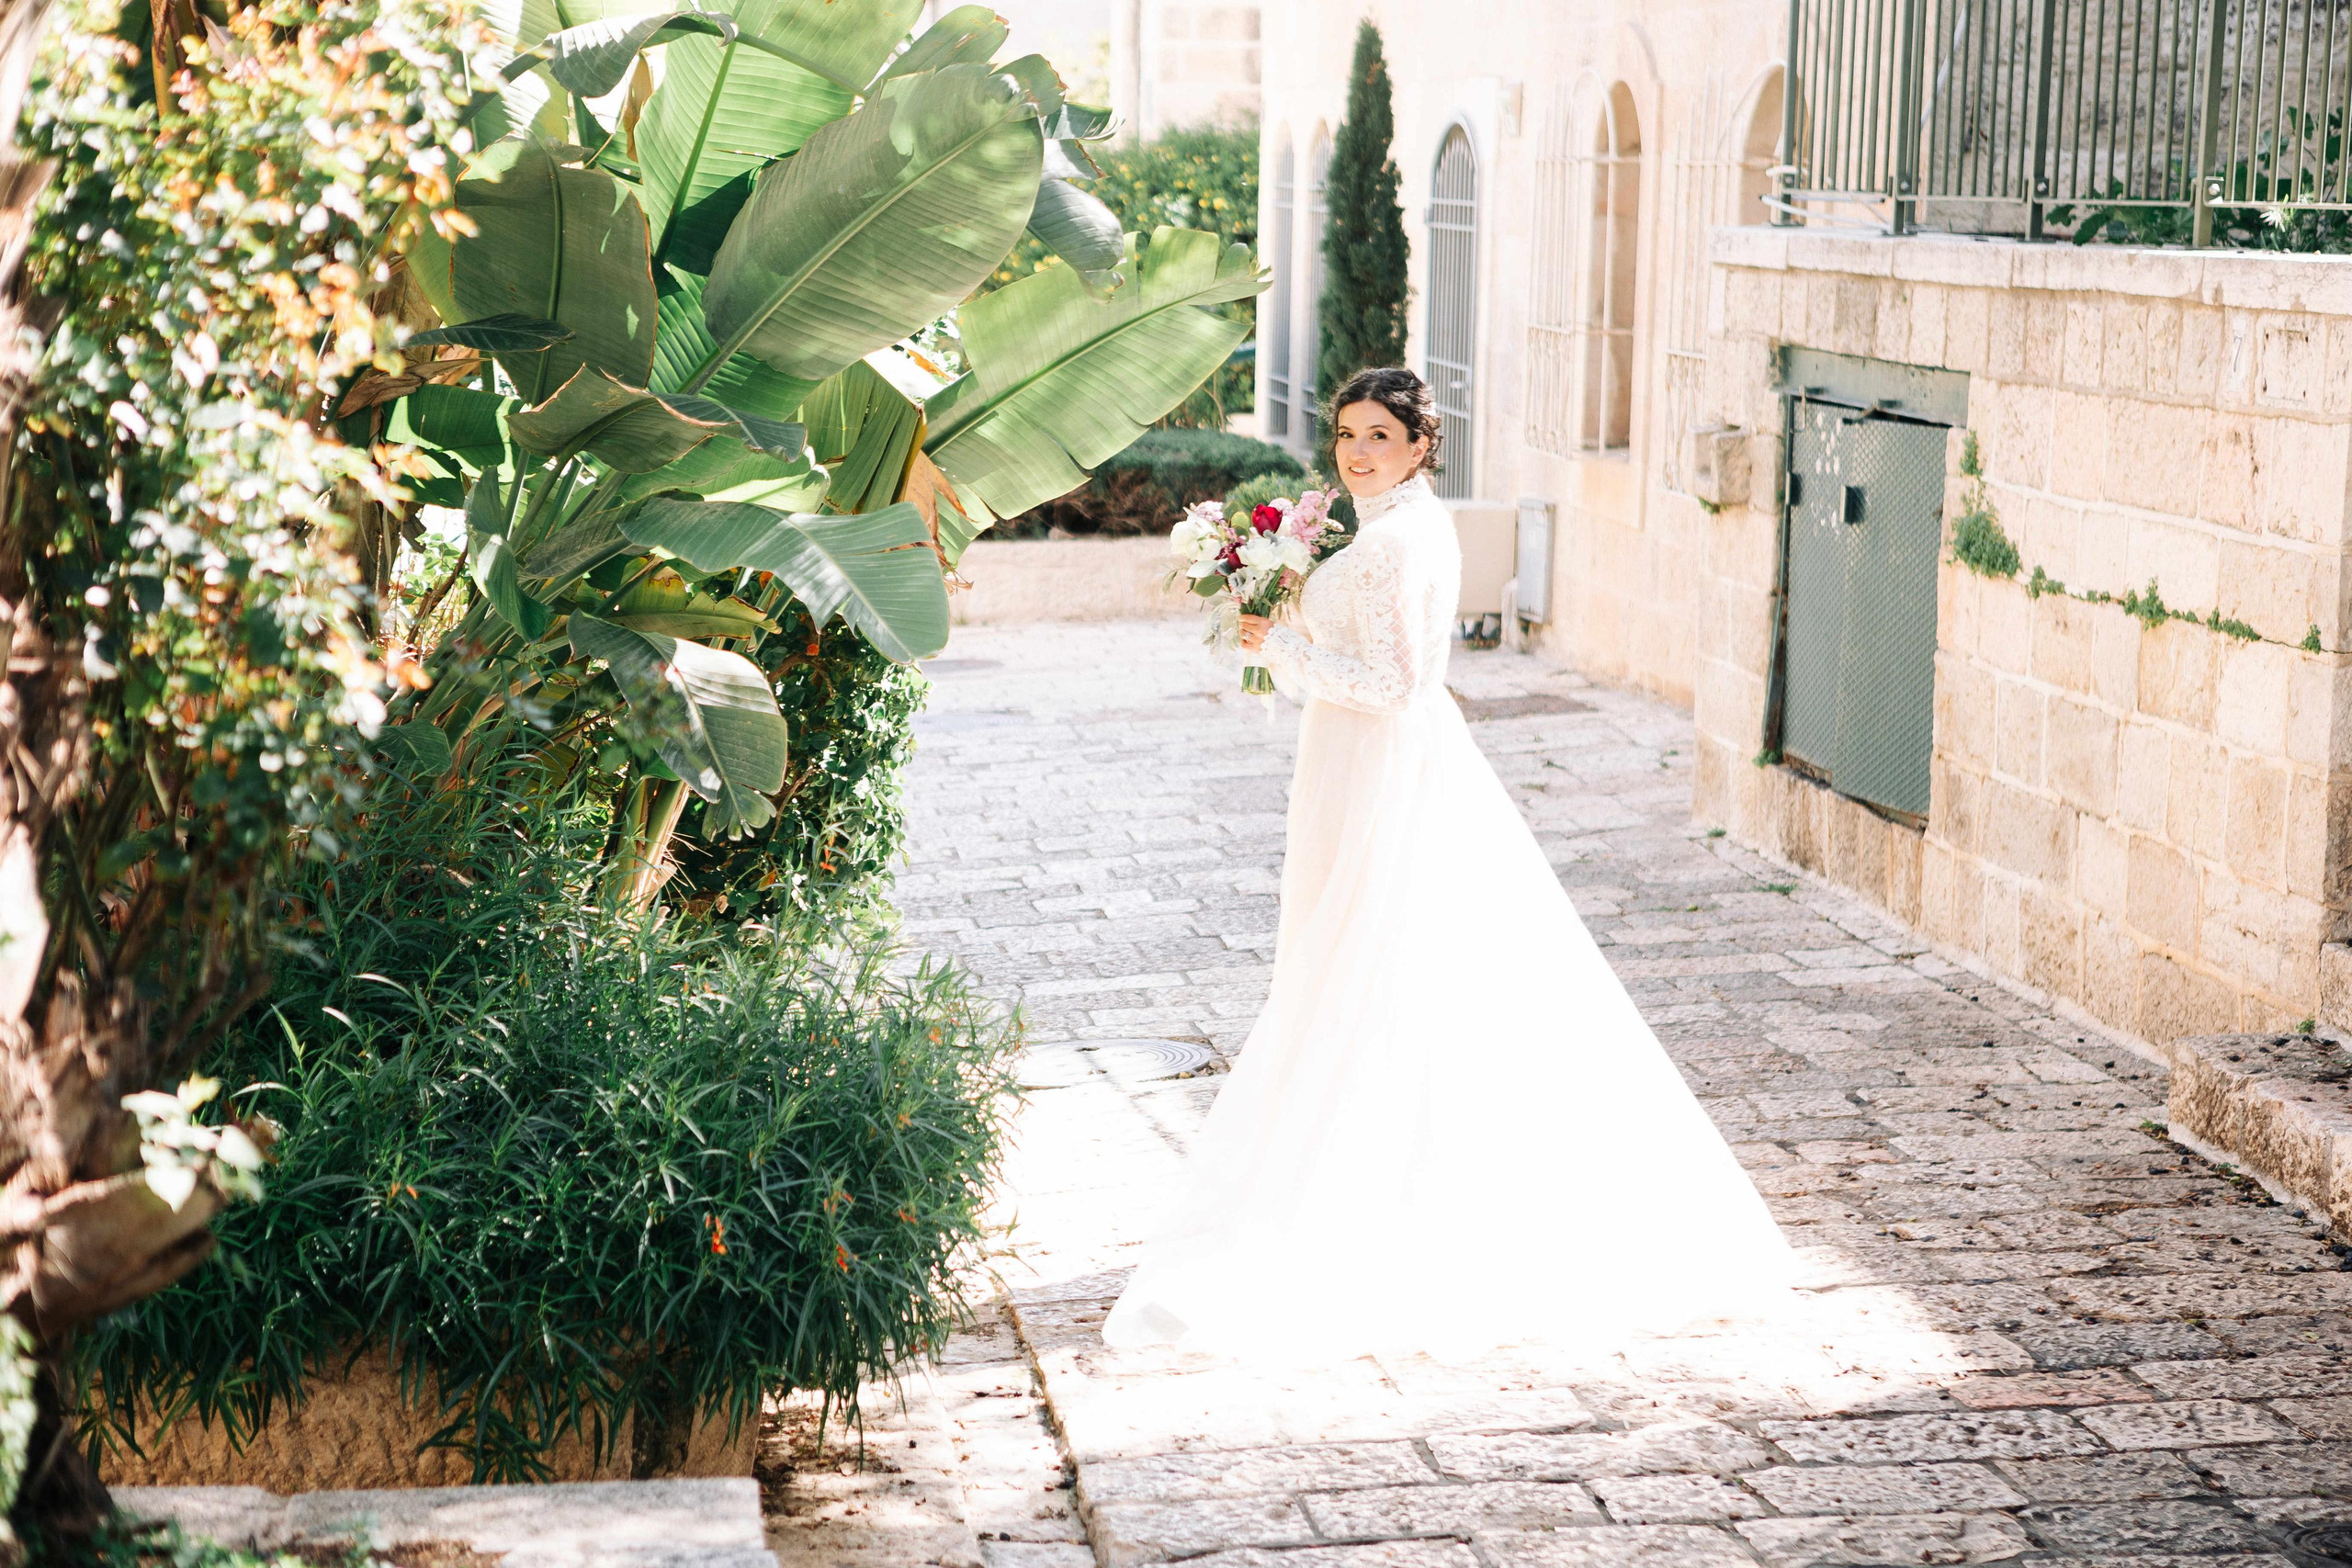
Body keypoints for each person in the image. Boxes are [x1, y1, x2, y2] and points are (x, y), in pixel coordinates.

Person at [1100, 367, 1796, 1360]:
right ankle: (1358, 1177)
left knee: (1369, 969)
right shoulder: (1388, 524)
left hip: (1382, 764)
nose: (1356, 450)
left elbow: (1390, 684)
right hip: (1355, 762)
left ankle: (1365, 1191)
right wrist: (1285, 616)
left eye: (1379, 434)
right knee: (1362, 963)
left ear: (1423, 445)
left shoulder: (1395, 540)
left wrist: (1280, 647)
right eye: (1346, 432)